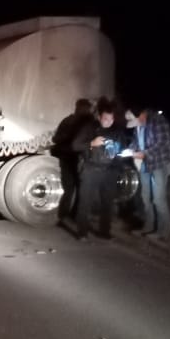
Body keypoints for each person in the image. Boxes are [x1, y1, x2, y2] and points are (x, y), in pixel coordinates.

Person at [72, 97, 127, 239]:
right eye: (105, 119)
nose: (108, 122)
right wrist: (91, 143)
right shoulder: (89, 128)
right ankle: (82, 233)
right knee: (85, 202)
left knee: (107, 203)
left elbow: (122, 151)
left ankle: (105, 232)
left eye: (111, 119)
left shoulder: (117, 131)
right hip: (91, 170)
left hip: (110, 172)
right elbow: (75, 145)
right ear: (99, 117)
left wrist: (118, 165)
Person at [131, 107, 170, 239]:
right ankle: (148, 227)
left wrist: (144, 153)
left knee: (158, 199)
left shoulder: (158, 121)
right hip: (145, 164)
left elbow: (161, 143)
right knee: (145, 198)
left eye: (137, 118)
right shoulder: (138, 123)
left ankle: (163, 232)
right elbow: (136, 141)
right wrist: (130, 150)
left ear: (143, 113)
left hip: (159, 163)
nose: (135, 121)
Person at [51, 98, 94, 223]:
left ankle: (64, 216)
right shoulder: (84, 122)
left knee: (71, 188)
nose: (87, 111)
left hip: (71, 158)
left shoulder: (69, 120)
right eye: (86, 108)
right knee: (76, 188)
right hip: (74, 158)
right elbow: (57, 138)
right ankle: (71, 216)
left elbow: (56, 138)